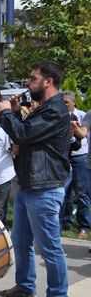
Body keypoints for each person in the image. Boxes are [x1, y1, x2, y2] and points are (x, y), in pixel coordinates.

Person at [0, 61, 70, 297]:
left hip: (45, 187)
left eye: (33, 78)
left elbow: (24, 134)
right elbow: (25, 132)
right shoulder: (44, 108)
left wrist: (6, 112)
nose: (28, 82)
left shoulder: (56, 110)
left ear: (48, 81)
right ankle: (25, 286)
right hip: (30, 185)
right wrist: (15, 113)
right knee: (21, 239)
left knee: (49, 244)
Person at [60, 91, 89, 238]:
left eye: (66, 102)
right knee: (64, 193)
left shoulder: (83, 115)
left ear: (74, 102)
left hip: (79, 158)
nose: (64, 104)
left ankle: (83, 226)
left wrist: (75, 128)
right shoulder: (59, 117)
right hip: (64, 157)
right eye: (62, 102)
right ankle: (65, 222)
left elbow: (83, 135)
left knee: (81, 192)